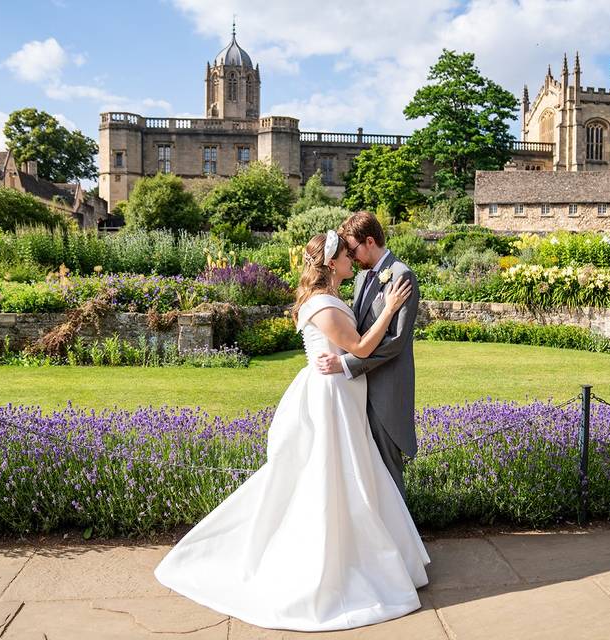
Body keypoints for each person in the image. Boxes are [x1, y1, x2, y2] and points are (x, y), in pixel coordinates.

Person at [154, 230, 430, 632]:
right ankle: (338, 564)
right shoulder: (322, 303)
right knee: (334, 477)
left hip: (343, 392)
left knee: (356, 474)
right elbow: (361, 348)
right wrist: (388, 311)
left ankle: (365, 554)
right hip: (331, 394)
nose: (352, 259)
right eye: (346, 256)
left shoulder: (332, 296)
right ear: (331, 263)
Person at [316, 212, 419, 499]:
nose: (351, 255)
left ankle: (402, 541)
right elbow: (358, 331)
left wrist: (346, 363)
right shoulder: (362, 277)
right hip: (355, 392)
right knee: (365, 472)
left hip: (385, 390)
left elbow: (395, 341)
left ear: (370, 241)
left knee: (388, 471)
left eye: (353, 249)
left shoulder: (401, 275)